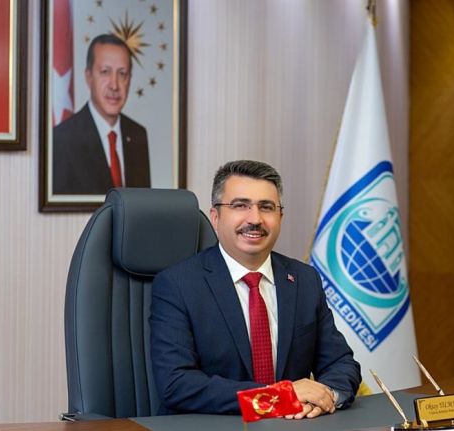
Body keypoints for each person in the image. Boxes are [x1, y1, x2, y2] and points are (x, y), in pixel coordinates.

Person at [150, 160, 361, 417]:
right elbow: (176, 383)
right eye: (240, 205)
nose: (255, 219)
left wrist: (325, 396)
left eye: (266, 207)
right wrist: (279, 397)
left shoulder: (304, 279)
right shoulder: (177, 284)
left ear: (280, 217)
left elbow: (340, 363)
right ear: (216, 217)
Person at [53, 34, 150, 195]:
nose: (114, 85)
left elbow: (142, 204)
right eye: (105, 72)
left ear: (129, 80)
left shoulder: (137, 135)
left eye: (122, 74)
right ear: (89, 77)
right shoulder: (62, 139)